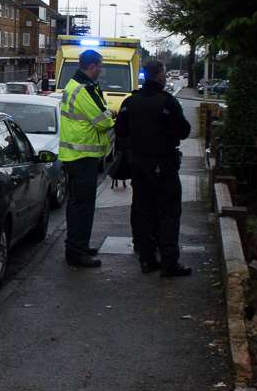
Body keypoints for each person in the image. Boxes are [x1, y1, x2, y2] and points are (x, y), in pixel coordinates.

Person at [115, 60, 192, 277]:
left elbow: (120, 130)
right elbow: (184, 130)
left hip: (139, 165)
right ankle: (169, 262)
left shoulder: (130, 101)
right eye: (165, 73)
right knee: (168, 212)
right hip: (164, 164)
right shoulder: (168, 102)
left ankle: (147, 259)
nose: (165, 77)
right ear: (159, 76)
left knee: (142, 211)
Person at [59, 49, 114, 268]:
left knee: (77, 205)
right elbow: (104, 121)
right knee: (82, 207)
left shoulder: (76, 85)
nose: (102, 70)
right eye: (100, 66)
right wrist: (110, 116)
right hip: (83, 157)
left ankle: (78, 246)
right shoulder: (83, 90)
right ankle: (76, 252)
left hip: (76, 156)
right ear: (92, 67)